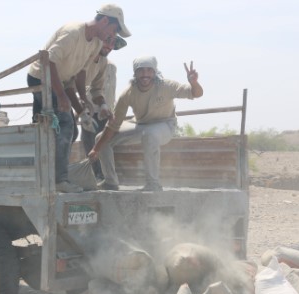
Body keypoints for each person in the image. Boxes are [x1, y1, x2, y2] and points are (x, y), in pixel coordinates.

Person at [27, 4, 131, 193]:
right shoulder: (73, 32)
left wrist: (84, 104)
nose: (111, 36)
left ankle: (46, 174)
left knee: (65, 131)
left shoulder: (97, 44)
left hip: (63, 80)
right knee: (65, 124)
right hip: (41, 78)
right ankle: (59, 180)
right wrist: (61, 96)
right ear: (105, 20)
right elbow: (49, 61)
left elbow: (80, 73)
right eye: (113, 30)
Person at [88, 57, 203, 192]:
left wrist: (194, 82)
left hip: (165, 125)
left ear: (154, 72)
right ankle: (110, 182)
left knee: (150, 135)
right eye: (141, 71)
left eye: (149, 70)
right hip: (140, 124)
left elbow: (196, 93)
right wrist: (96, 149)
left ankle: (153, 184)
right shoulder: (128, 94)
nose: (145, 74)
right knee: (101, 139)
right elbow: (113, 124)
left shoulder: (166, 86)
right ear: (135, 73)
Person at [69, 35, 126, 180]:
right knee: (95, 141)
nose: (109, 46)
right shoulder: (100, 62)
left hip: (96, 109)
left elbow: (95, 89)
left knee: (92, 142)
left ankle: (99, 174)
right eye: (107, 41)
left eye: (112, 43)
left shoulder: (103, 64)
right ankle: (100, 174)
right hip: (99, 108)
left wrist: (82, 111)